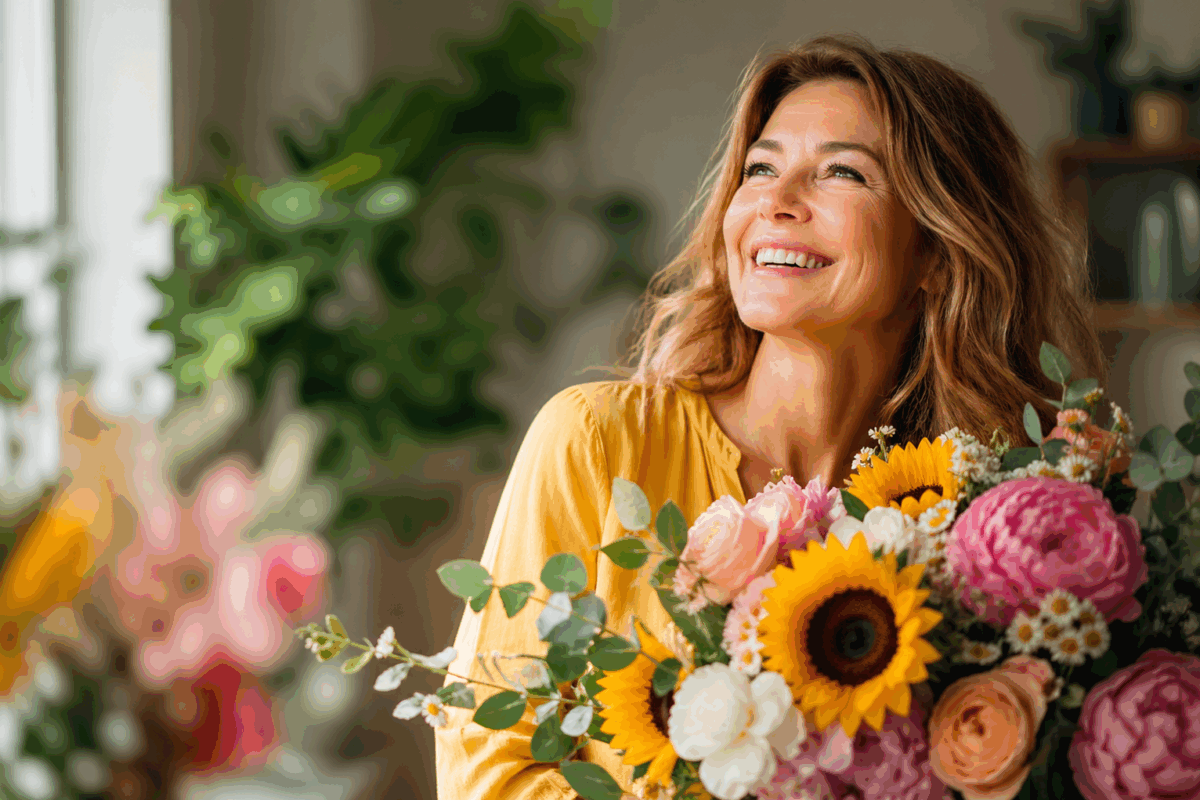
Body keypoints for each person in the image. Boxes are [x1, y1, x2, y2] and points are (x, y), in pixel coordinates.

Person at [434, 33, 1106, 799]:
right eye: (760, 168)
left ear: (935, 250)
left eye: (842, 173)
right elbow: (485, 775)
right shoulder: (597, 442)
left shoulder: (989, 524)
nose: (776, 202)